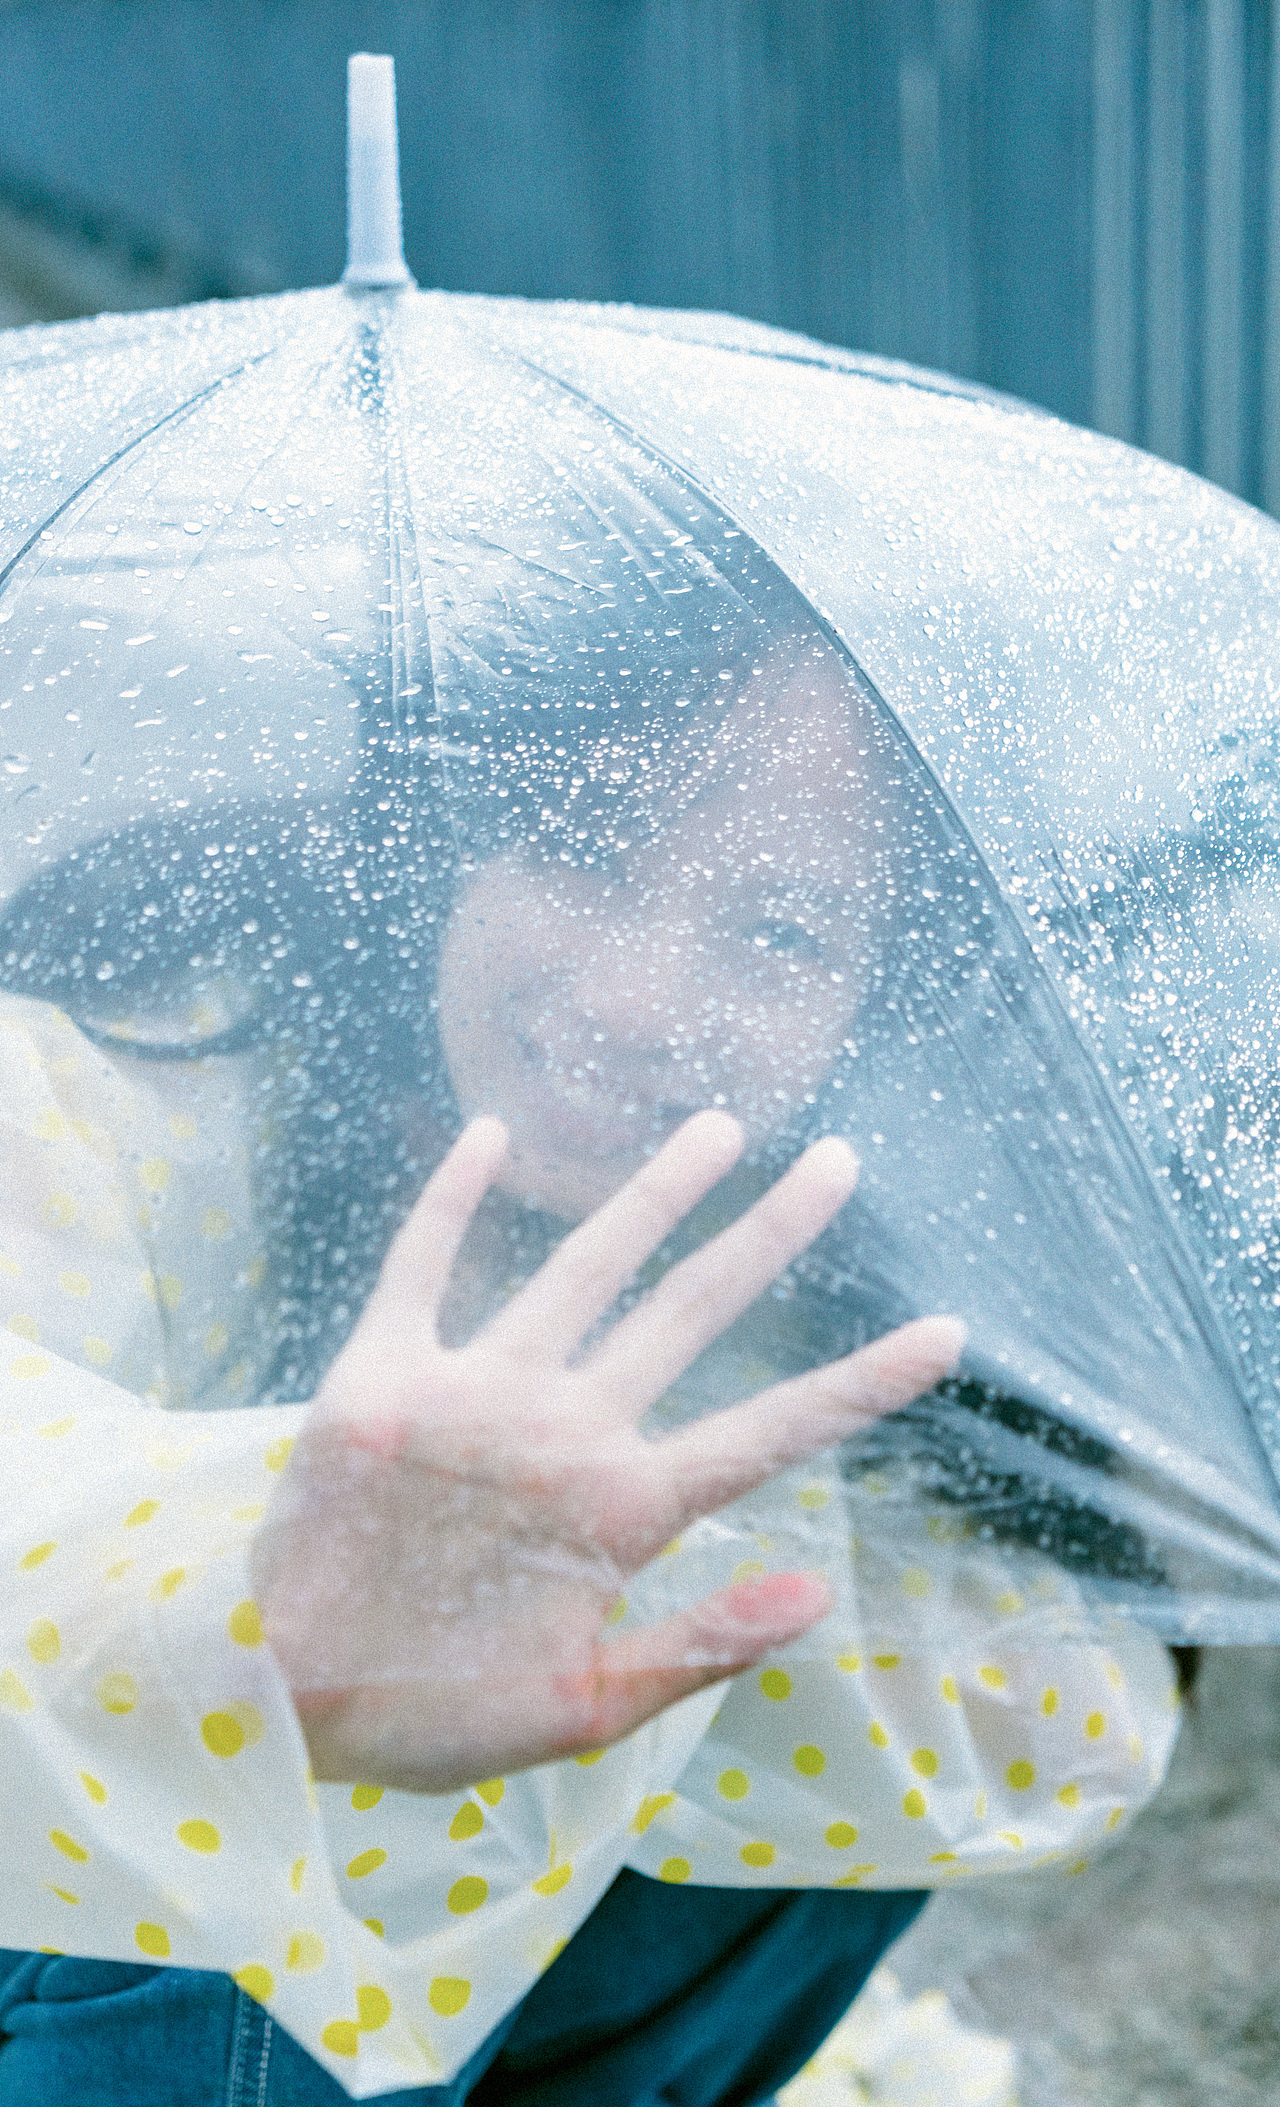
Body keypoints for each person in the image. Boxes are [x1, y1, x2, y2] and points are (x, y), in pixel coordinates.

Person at [0, 590, 1180, 2102]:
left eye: (780, 930)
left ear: (887, 1003)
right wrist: (268, 1601)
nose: (637, 1000)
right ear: (440, 827)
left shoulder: (856, 1260)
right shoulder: (126, 1074)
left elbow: (1083, 1707)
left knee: (741, 1752)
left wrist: (613, 1588)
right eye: (580, 843)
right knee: (245, 1755)